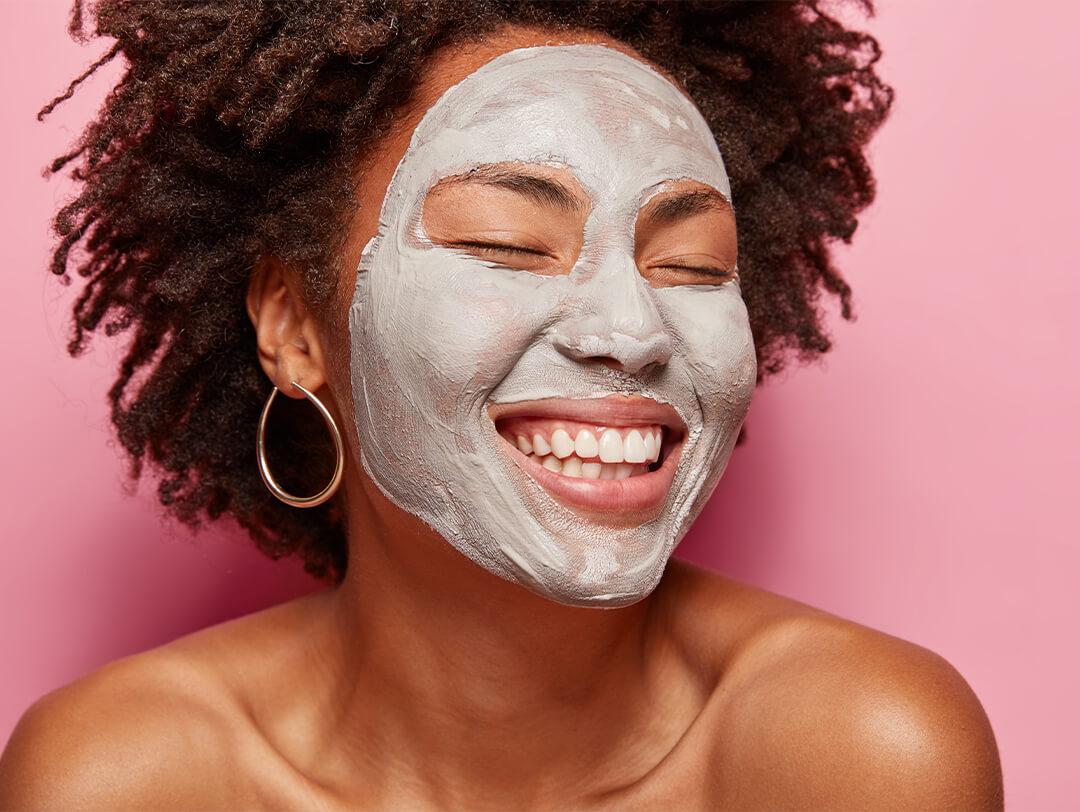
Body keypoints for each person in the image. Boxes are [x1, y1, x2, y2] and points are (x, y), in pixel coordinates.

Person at [0, 1, 1003, 808]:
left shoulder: (867, 758)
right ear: (296, 324)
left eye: (693, 263)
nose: (635, 328)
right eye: (510, 243)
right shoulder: (121, 778)